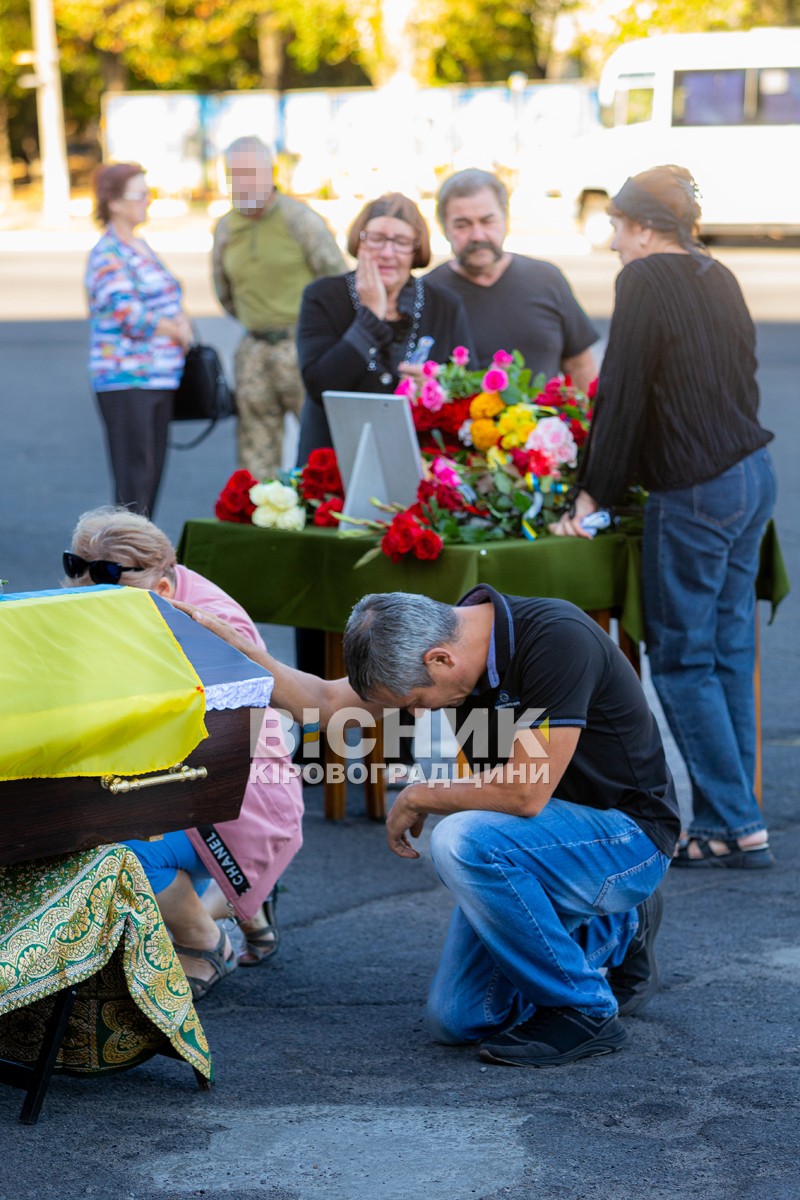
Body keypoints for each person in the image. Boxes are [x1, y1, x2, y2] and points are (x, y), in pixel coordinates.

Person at [177, 587, 679, 1068]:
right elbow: (325, 703)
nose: (418, 716)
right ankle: (618, 926)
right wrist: (237, 647)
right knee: (459, 1019)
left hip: (627, 839)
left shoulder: (556, 638)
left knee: (463, 839)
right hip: (536, 847)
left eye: (416, 701)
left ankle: (586, 1010)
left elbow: (526, 793)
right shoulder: (438, 641)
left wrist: (419, 793)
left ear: (440, 659)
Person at [550, 165, 776, 870]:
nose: (614, 241)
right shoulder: (717, 273)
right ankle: (736, 818)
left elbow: (620, 399)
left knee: (680, 663)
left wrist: (591, 495)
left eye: (618, 226)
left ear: (645, 227)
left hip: (697, 488)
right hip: (751, 477)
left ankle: (733, 820)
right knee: (728, 655)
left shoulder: (644, 280)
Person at [64, 506, 304, 998]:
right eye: (75, 567)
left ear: (164, 589)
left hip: (240, 795)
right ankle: (245, 905)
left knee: (115, 850)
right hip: (205, 779)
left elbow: (238, 742)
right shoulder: (158, 589)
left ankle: (206, 943)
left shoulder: (212, 627)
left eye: (106, 585)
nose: (84, 589)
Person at [295, 191, 476, 464]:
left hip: (418, 459)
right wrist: (371, 315)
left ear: (416, 249)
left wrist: (437, 386)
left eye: (402, 242)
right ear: (359, 241)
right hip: (334, 458)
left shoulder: (444, 304)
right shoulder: (323, 296)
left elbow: (469, 387)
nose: (387, 253)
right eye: (376, 239)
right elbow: (321, 385)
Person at [212, 136, 346, 479]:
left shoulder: (299, 220)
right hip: (254, 349)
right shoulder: (227, 228)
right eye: (235, 174)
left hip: (303, 347)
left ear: (270, 173)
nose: (243, 182)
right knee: (255, 458)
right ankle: (261, 520)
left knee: (323, 451)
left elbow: (337, 281)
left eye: (251, 173)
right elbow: (224, 290)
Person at [85, 162, 193, 517]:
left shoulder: (139, 246)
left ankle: (139, 561)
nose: (147, 201)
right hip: (127, 381)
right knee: (134, 483)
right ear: (114, 202)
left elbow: (167, 297)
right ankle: (126, 565)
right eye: (140, 194)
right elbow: (129, 315)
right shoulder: (108, 254)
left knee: (149, 480)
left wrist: (181, 319)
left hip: (159, 378)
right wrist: (177, 329)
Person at [426, 168, 598, 388]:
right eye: (462, 225)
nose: (478, 235)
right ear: (443, 229)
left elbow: (580, 365)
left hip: (549, 422)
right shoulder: (429, 293)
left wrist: (588, 419)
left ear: (506, 219)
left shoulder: (547, 279)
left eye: (487, 221)